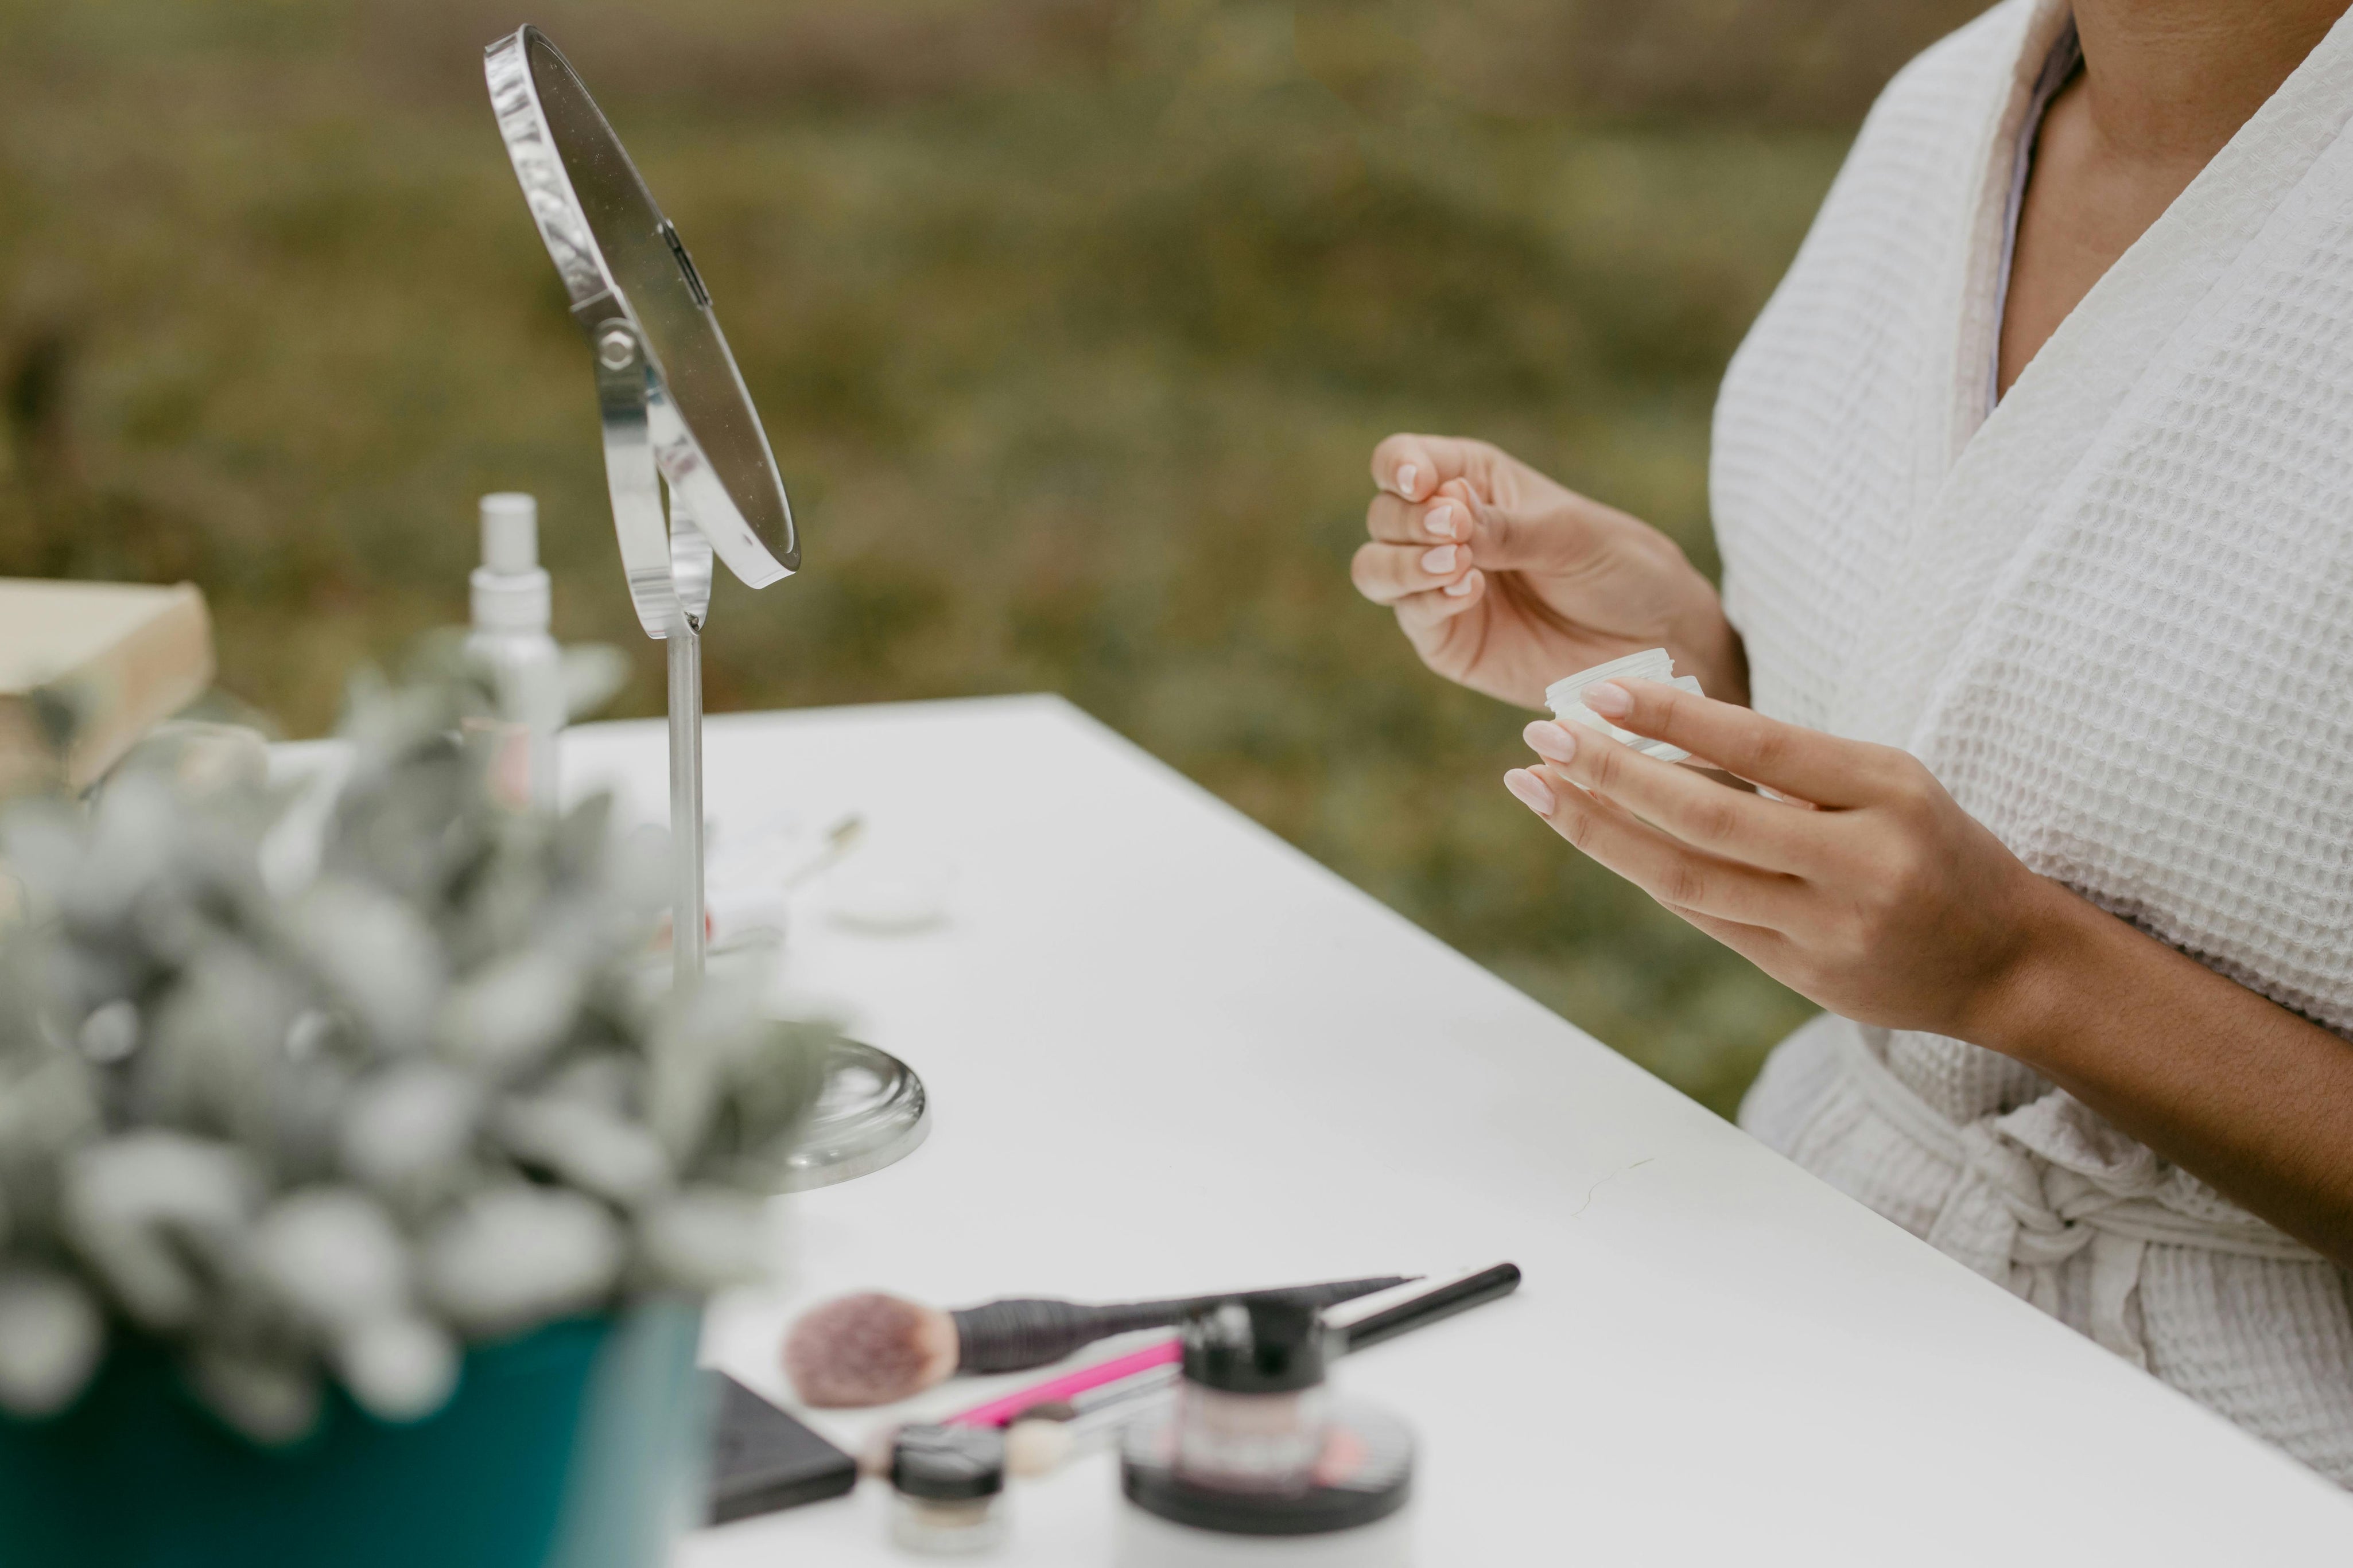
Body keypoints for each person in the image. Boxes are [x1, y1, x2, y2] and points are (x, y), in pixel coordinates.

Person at [1350, 0, 2353, 1483]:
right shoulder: (1952, 113)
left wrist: (2027, 972)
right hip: (1815, 1302)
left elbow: (2009, 904)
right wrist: (1694, 667)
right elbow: (2008, 718)